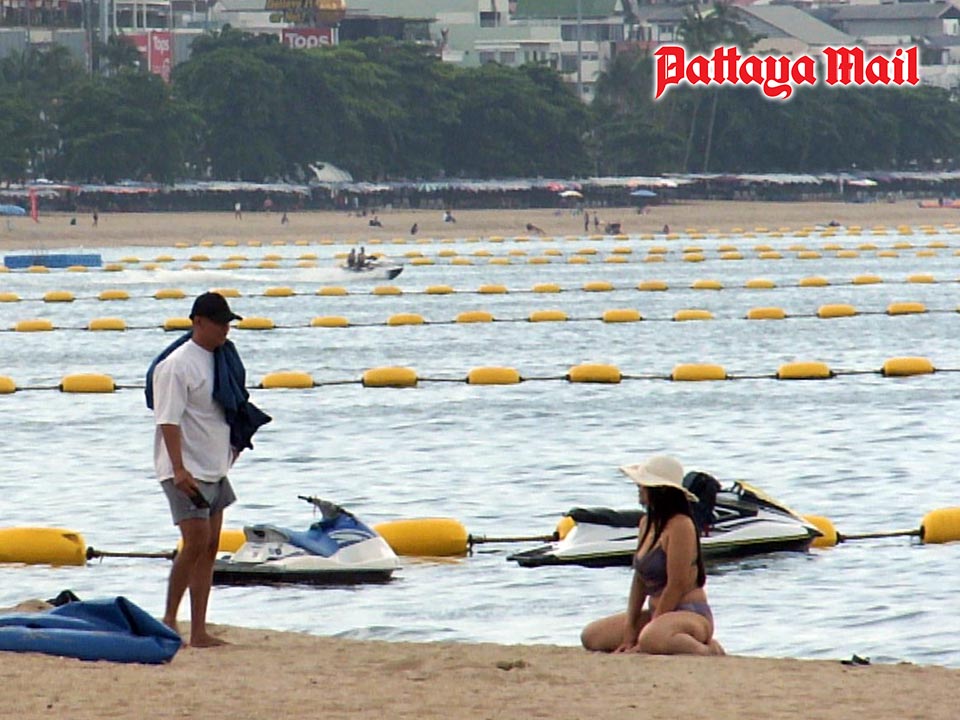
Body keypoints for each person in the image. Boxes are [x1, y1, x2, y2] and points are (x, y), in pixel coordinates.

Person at [147, 292, 267, 648]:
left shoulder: (223, 359)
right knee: (195, 541)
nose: (225, 330)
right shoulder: (176, 365)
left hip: (216, 465)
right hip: (184, 469)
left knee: (211, 545)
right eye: (219, 323)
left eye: (228, 323)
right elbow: (167, 420)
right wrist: (179, 469)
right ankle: (169, 619)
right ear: (198, 322)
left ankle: (199, 629)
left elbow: (229, 408)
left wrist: (233, 450)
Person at [581, 455, 724, 656]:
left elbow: (677, 585)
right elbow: (639, 580)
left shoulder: (681, 525)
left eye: (643, 484)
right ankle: (655, 635)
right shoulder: (646, 523)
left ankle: (708, 649)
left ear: (661, 490)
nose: (639, 488)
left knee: (651, 637)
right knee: (592, 635)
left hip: (689, 613)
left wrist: (647, 633)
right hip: (657, 615)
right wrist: (630, 628)